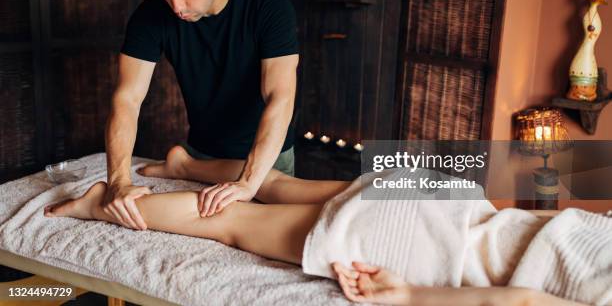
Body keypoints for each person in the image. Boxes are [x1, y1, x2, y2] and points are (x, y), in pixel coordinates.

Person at [44, 153, 593, 306]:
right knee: (234, 221)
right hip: (432, 247)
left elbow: (550, 223)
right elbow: (519, 302)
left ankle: (185, 164)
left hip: (454, 204)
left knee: (281, 184)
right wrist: (408, 297)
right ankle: (98, 204)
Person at [104, 0, 299, 231]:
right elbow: (127, 99)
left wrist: (248, 182)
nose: (176, 7)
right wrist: (118, 181)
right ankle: (181, 166)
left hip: (266, 157)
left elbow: (280, 96)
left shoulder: (269, 6)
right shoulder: (150, 16)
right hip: (202, 153)